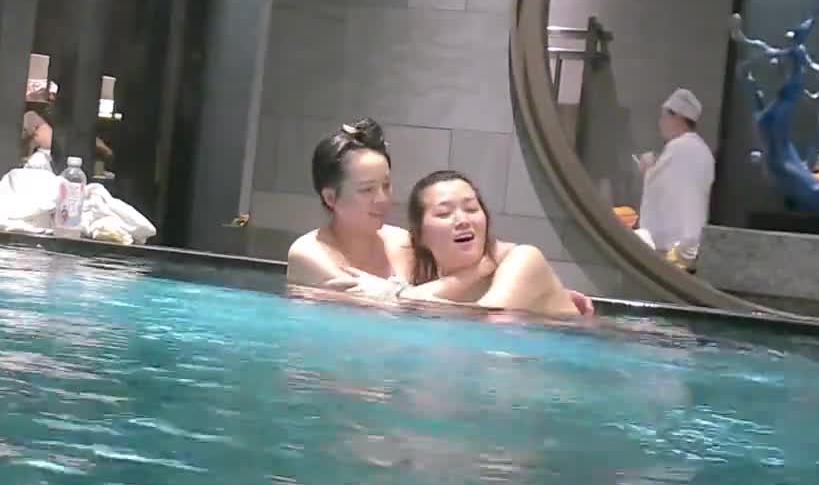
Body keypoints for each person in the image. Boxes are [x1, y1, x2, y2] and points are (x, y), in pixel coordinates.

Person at [401, 170, 592, 318]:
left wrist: (412, 298)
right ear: (420, 235)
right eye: (444, 213)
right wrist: (474, 273)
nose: (463, 220)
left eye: (471, 209)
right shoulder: (434, 282)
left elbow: (488, 325)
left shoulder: (524, 259)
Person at [285, 119, 414, 296]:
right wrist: (398, 292)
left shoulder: (402, 242)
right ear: (331, 198)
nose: (382, 199)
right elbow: (368, 307)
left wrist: (392, 292)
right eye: (367, 190)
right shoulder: (309, 252)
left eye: (386, 185)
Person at [634, 87, 716, 258]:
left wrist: (648, 169)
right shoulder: (704, 151)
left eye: (663, 116)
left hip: (671, 246)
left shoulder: (678, 148)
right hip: (693, 243)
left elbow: (659, 187)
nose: (660, 123)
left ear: (676, 117)